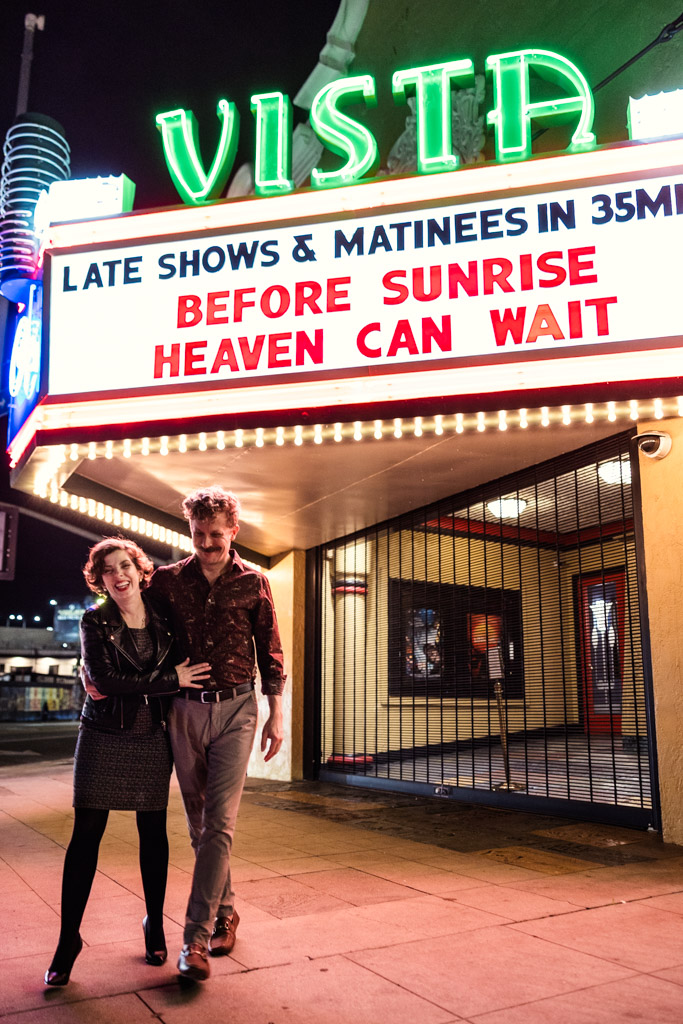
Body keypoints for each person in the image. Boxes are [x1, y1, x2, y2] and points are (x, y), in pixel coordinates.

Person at [44, 538, 211, 986]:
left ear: (140, 570)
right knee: (85, 839)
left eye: (125, 567)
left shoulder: (164, 617)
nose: (118, 576)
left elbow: (142, 678)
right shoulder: (94, 620)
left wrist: (153, 682)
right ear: (98, 580)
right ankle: (68, 940)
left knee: (153, 835)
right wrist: (165, 679)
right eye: (107, 571)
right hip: (101, 737)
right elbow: (103, 679)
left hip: (151, 739)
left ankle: (154, 922)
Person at [148, 486, 285, 982]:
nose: (206, 545)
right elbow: (132, 624)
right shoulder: (164, 582)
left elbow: (270, 650)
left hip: (238, 712)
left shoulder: (255, 582)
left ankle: (195, 940)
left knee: (219, 822)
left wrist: (277, 714)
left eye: (216, 536)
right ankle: (227, 910)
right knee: (199, 825)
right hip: (183, 712)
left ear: (234, 531)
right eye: (199, 535)